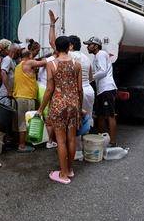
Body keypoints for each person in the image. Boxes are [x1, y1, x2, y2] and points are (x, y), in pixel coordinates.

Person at [38, 36, 83, 184]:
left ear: (56, 48)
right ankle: (69, 170)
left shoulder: (52, 64)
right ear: (69, 47)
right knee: (71, 138)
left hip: (58, 105)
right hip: (73, 104)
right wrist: (80, 107)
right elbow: (80, 89)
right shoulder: (77, 64)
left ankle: (63, 175)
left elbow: (50, 89)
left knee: (61, 141)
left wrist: (41, 108)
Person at [84, 36, 118, 146]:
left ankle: (112, 142)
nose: (87, 47)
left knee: (110, 115)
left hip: (107, 88)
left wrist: (90, 78)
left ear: (96, 46)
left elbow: (103, 72)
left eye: (89, 44)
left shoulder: (101, 54)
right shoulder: (97, 56)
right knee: (100, 115)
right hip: (102, 90)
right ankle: (101, 140)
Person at [13, 49, 47, 152]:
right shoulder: (29, 62)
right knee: (24, 123)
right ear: (30, 56)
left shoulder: (18, 65)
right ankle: (22, 146)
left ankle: (21, 142)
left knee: (20, 122)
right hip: (26, 98)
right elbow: (44, 63)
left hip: (18, 97)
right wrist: (45, 58)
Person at [68, 35, 94, 160]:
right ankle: (86, 148)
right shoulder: (86, 58)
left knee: (75, 121)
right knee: (86, 119)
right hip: (89, 90)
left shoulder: (70, 56)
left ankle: (77, 151)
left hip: (78, 91)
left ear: (71, 46)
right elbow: (90, 77)